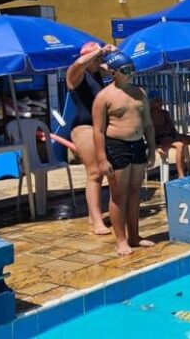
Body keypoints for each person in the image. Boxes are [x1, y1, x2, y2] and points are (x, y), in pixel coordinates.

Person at [91, 51, 155, 256]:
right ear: (113, 72)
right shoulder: (104, 97)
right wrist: (101, 158)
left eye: (132, 69)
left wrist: (151, 148)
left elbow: (148, 124)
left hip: (137, 144)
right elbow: (98, 130)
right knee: (119, 195)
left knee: (136, 193)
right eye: (126, 70)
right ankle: (120, 240)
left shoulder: (140, 93)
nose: (131, 74)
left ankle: (134, 236)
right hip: (116, 146)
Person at [66, 41, 116, 235]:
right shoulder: (75, 75)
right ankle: (97, 221)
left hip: (100, 127)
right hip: (83, 128)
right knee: (95, 173)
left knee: (107, 172)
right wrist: (96, 52)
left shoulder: (96, 72)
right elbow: (78, 64)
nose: (100, 61)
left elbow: (121, 66)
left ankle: (93, 215)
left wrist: (113, 51)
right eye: (97, 59)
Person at [149, 91, 190, 178]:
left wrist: (178, 136)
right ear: (150, 102)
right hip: (160, 140)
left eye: (161, 100)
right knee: (180, 145)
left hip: (170, 136)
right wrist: (156, 146)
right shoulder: (147, 116)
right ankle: (181, 175)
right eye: (157, 101)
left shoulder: (164, 113)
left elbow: (172, 129)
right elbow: (147, 135)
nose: (161, 103)